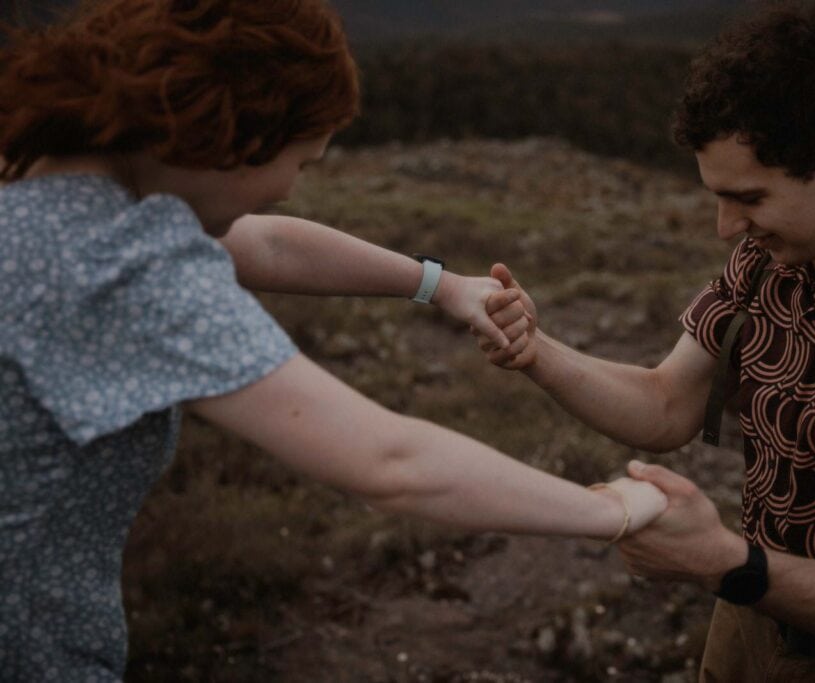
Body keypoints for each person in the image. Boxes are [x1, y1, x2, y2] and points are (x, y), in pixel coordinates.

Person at [0, 1, 668, 680]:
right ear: (236, 133)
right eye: (302, 161)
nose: (289, 189)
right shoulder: (121, 265)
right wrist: (611, 508)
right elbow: (391, 461)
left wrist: (442, 286)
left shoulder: (37, 182)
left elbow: (269, 245)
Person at [477, 1, 815, 680]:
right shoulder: (771, 261)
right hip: (743, 618)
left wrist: (719, 558)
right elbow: (666, 401)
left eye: (750, 198)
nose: (725, 226)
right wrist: (536, 350)